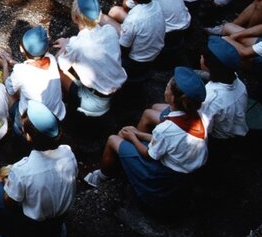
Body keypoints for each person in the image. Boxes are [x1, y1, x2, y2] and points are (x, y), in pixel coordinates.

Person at [84, 67, 208, 211]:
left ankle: (100, 178)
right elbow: (167, 142)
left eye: (167, 87)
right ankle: (123, 158)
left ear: (173, 98)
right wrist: (138, 134)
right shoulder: (199, 119)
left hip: (163, 174)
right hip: (182, 170)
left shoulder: (166, 129)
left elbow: (149, 154)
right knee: (127, 135)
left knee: (113, 139)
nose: (165, 89)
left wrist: (133, 138)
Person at [0, 101, 76, 237]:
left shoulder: (22, 170)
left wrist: (8, 181)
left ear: (28, 137)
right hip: (59, 221)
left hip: (31, 227)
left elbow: (10, 203)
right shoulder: (68, 154)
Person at [53, 0, 126, 118]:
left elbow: (63, 65)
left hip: (94, 100)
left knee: (56, 67)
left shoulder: (76, 45)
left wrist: (66, 47)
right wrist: (69, 42)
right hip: (114, 87)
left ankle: (64, 106)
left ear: (75, 17)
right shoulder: (109, 30)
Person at [2, 27, 66, 126]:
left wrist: (5, 65)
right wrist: (12, 62)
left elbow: (9, 87)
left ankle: (19, 128)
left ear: (21, 48)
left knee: (6, 90)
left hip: (33, 123)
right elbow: (32, 68)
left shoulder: (20, 71)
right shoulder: (51, 58)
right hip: (58, 115)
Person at [105, 0, 165, 73]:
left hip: (135, 62)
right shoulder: (157, 5)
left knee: (103, 20)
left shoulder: (134, 19)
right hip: (154, 52)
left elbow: (123, 48)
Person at [198, 37, 248, 141]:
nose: (200, 58)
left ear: (208, 65)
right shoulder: (240, 84)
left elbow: (205, 130)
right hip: (238, 130)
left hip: (219, 139)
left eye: (202, 57)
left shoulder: (209, 97)